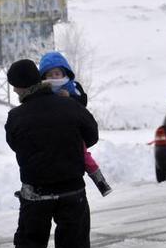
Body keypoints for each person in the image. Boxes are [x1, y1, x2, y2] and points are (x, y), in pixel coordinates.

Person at [4, 59, 99, 248]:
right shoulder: (69, 106)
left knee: (29, 243)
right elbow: (91, 136)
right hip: (72, 193)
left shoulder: (16, 117)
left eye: (15, 88)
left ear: (21, 87)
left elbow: (14, 143)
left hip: (35, 195)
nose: (15, 93)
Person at [38, 51, 111, 196]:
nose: (54, 77)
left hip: (73, 131)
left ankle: (100, 181)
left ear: (64, 73)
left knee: (84, 156)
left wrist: (69, 97)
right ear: (44, 76)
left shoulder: (72, 87)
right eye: (50, 74)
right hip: (52, 133)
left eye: (57, 73)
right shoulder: (42, 90)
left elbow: (82, 102)